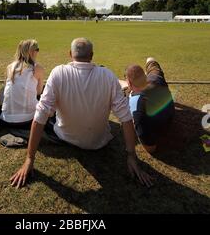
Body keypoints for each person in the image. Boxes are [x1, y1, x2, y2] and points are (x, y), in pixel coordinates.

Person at [10, 38, 153, 188]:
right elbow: (126, 118)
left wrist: (29, 159)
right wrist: (131, 156)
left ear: (70, 54)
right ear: (91, 55)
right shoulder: (108, 75)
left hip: (65, 137)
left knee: (47, 113)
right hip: (99, 142)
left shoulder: (58, 73)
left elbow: (40, 117)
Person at [125, 59, 175, 154]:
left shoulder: (135, 106)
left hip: (162, 132)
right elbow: (151, 60)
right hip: (170, 117)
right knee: (150, 59)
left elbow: (151, 149)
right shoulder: (155, 77)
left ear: (129, 84)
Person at [0, 39, 44, 129]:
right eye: (37, 49)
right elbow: (39, 92)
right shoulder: (38, 68)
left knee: (3, 90)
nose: (38, 52)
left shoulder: (10, 67)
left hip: (5, 118)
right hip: (27, 119)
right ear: (32, 52)